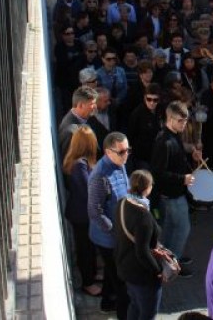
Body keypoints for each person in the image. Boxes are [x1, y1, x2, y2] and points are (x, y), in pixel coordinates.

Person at [151, 101, 202, 277]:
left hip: (175, 193)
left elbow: (176, 159)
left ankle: (167, 258)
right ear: (170, 118)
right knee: (182, 229)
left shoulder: (174, 135)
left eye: (186, 120)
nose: (184, 124)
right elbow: (158, 173)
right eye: (181, 121)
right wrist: (183, 179)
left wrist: (191, 154)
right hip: (171, 195)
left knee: (170, 230)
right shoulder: (163, 141)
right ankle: (173, 263)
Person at [87, 132, 131, 315]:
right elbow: (95, 212)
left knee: (112, 274)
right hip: (108, 239)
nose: (126, 155)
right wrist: (116, 231)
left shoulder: (119, 164)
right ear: (107, 152)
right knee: (122, 282)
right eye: (121, 152)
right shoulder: (99, 176)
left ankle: (106, 302)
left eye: (128, 150)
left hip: (117, 234)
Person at [115, 170, 163, 320]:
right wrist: (158, 271)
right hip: (142, 275)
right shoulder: (144, 217)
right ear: (147, 188)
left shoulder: (122, 202)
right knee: (147, 314)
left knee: (135, 305)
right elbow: (142, 252)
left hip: (126, 267)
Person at [62, 126, 101, 297]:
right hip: (81, 215)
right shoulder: (79, 165)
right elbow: (88, 190)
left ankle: (92, 275)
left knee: (88, 246)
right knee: (84, 248)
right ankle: (88, 282)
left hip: (82, 213)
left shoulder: (80, 162)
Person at [58, 86, 98, 154]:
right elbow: (69, 160)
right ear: (81, 105)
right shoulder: (70, 133)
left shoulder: (87, 116)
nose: (95, 106)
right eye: (92, 104)